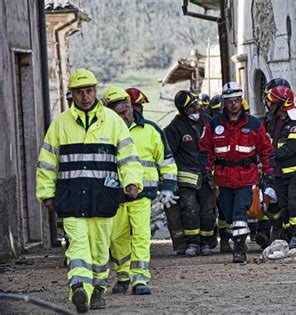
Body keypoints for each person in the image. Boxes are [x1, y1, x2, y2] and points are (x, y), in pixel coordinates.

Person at [36, 69, 144, 313]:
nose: (84, 97)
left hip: (103, 197)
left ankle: (98, 289)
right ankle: (79, 287)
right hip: (71, 197)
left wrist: (132, 182)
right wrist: (46, 193)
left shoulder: (113, 121)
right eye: (79, 92)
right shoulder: (60, 125)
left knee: (99, 247)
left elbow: (128, 157)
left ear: (95, 91)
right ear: (71, 95)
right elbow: (47, 162)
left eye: (89, 91)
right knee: (77, 244)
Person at [102, 87, 178, 295]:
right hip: (115, 196)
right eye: (118, 114)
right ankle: (123, 276)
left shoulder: (151, 131)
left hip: (143, 196)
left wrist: (169, 187)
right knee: (117, 238)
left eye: (126, 111)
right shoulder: (103, 134)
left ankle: (140, 280)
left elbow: (167, 162)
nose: (124, 116)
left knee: (142, 237)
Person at [199, 81, 276, 263]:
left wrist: (269, 172)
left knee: (240, 211)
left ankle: (239, 248)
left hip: (246, 176)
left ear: (241, 100)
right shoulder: (213, 125)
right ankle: (237, 239)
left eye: (236, 100)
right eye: (230, 100)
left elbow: (266, 151)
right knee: (228, 213)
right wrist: (205, 172)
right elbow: (204, 150)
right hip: (223, 178)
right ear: (224, 102)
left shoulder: (254, 124)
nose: (234, 104)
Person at [164, 90, 217, 256]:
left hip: (207, 176)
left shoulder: (208, 122)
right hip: (187, 178)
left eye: (196, 104)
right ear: (183, 110)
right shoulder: (174, 128)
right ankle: (193, 243)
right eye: (191, 107)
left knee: (208, 211)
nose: (195, 108)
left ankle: (207, 242)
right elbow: (168, 155)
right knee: (190, 209)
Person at [263, 85, 296, 250]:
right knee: (283, 205)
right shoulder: (273, 120)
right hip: (280, 172)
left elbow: (291, 146)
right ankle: (286, 233)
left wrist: (271, 155)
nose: (269, 105)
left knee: (294, 203)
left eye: (272, 103)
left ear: (281, 104)